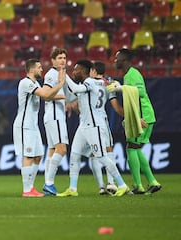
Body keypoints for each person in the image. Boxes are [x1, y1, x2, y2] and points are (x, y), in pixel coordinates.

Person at [57, 60, 129, 197]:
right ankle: (72, 188)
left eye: (76, 69)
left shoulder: (89, 82)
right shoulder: (96, 83)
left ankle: (122, 185)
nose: (74, 72)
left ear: (85, 71)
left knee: (101, 157)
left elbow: (76, 90)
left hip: (93, 125)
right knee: (74, 154)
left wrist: (64, 74)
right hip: (84, 124)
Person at [107, 48, 162, 194]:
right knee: (134, 148)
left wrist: (137, 118)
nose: (115, 61)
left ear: (124, 60)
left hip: (143, 115)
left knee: (132, 147)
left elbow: (140, 94)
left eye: (117, 58)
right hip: (141, 115)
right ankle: (150, 182)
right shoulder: (129, 75)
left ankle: (141, 185)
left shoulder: (133, 74)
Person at [13, 58, 66, 197]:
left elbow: (47, 97)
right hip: (24, 125)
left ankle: (31, 187)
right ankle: (26, 190)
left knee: (38, 156)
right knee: (29, 155)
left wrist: (64, 98)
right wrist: (60, 84)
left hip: (33, 125)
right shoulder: (26, 83)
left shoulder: (35, 83)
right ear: (31, 69)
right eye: (39, 67)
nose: (42, 69)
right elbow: (45, 94)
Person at [42, 48, 73, 196]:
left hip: (53, 115)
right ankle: (49, 183)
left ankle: (47, 183)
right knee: (62, 149)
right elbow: (46, 95)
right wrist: (62, 97)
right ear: (53, 60)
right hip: (54, 115)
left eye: (64, 58)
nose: (62, 60)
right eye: (59, 58)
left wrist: (66, 102)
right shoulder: (51, 74)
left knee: (52, 150)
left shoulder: (62, 74)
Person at [89, 61, 121, 195]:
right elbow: (115, 106)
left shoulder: (88, 83)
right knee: (108, 150)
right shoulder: (109, 83)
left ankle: (102, 186)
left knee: (94, 153)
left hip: (88, 123)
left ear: (94, 71)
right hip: (101, 120)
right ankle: (111, 183)